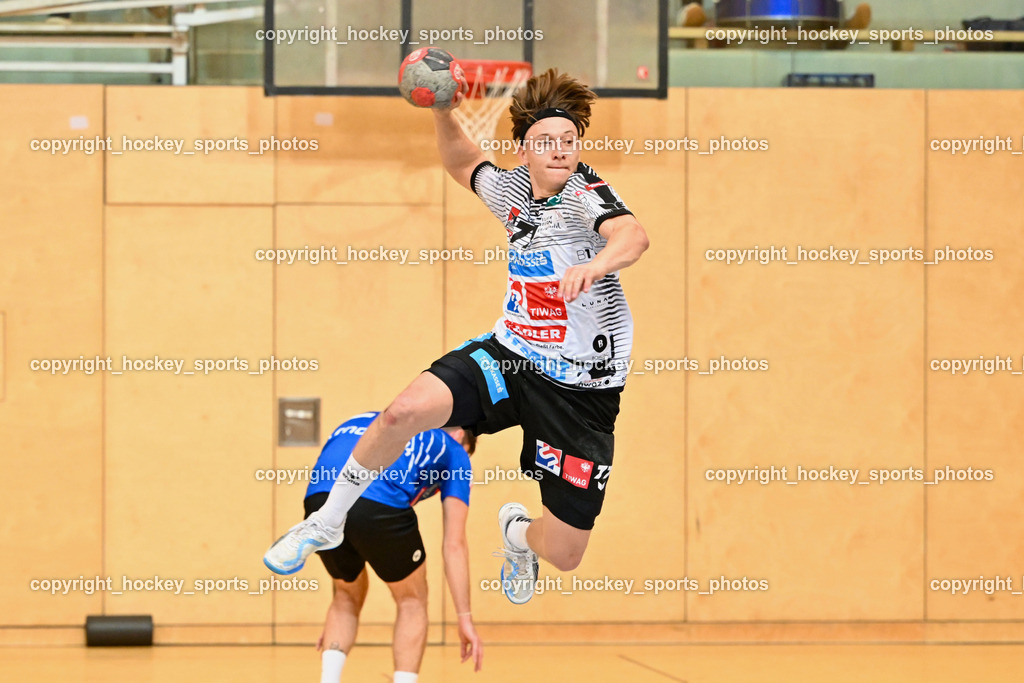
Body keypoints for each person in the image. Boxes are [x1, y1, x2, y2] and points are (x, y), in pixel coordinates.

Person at [265, 68, 650, 605]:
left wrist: (599, 263)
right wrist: (442, 110)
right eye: (547, 142)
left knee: (564, 553)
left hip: (580, 390)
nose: (560, 151)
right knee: (402, 411)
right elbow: (463, 162)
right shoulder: (513, 191)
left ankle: (516, 534)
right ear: (524, 150)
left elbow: (632, 234)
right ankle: (328, 521)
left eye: (569, 141)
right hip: (513, 354)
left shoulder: (587, 195)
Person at [272, 412, 482, 683]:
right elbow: (454, 544)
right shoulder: (454, 449)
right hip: (378, 502)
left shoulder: (359, 420)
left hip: (319, 502)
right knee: (412, 599)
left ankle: (330, 676)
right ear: (460, 434)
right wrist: (464, 616)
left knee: (345, 594)